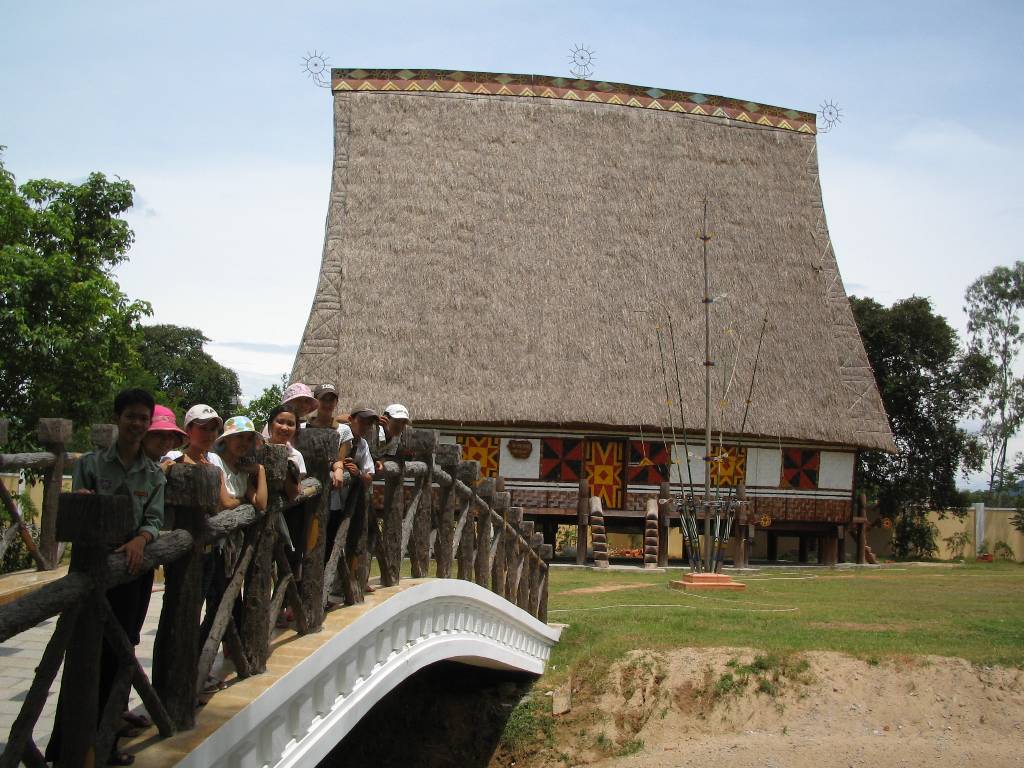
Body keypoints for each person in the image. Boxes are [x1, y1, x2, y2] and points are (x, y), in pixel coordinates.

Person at [46, 388, 165, 766]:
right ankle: (67, 745)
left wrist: (140, 541)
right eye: (130, 416)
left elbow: (154, 520)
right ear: (118, 418)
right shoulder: (93, 465)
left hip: (131, 574)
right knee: (84, 656)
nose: (136, 424)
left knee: (121, 652)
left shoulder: (153, 474)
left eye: (143, 419)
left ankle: (105, 743)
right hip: (93, 572)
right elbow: (78, 510)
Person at [336, 408, 377, 592]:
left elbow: (369, 476)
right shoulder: (337, 434)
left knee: (353, 541)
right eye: (362, 421)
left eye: (369, 423)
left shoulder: (363, 445)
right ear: (351, 419)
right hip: (331, 500)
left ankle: (350, 583)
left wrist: (357, 472)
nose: (366, 426)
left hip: (351, 502)